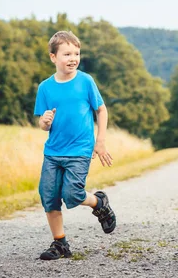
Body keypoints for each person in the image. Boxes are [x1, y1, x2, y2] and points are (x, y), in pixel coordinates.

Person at [34, 30, 116, 261]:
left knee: (72, 194)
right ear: (53, 57)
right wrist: (44, 122)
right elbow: (43, 123)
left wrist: (100, 141)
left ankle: (99, 203)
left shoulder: (85, 81)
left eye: (76, 53)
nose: (73, 58)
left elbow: (101, 109)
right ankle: (60, 243)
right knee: (48, 196)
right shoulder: (45, 88)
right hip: (53, 152)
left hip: (80, 150)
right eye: (67, 54)